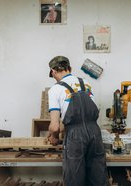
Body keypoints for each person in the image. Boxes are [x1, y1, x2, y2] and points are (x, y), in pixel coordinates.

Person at [47, 56, 108, 186]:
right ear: (70, 68)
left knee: (75, 178)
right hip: (95, 133)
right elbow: (82, 117)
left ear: (53, 71)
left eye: (52, 74)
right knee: (97, 176)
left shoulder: (55, 89)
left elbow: (55, 126)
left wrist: (54, 137)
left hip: (75, 136)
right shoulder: (85, 83)